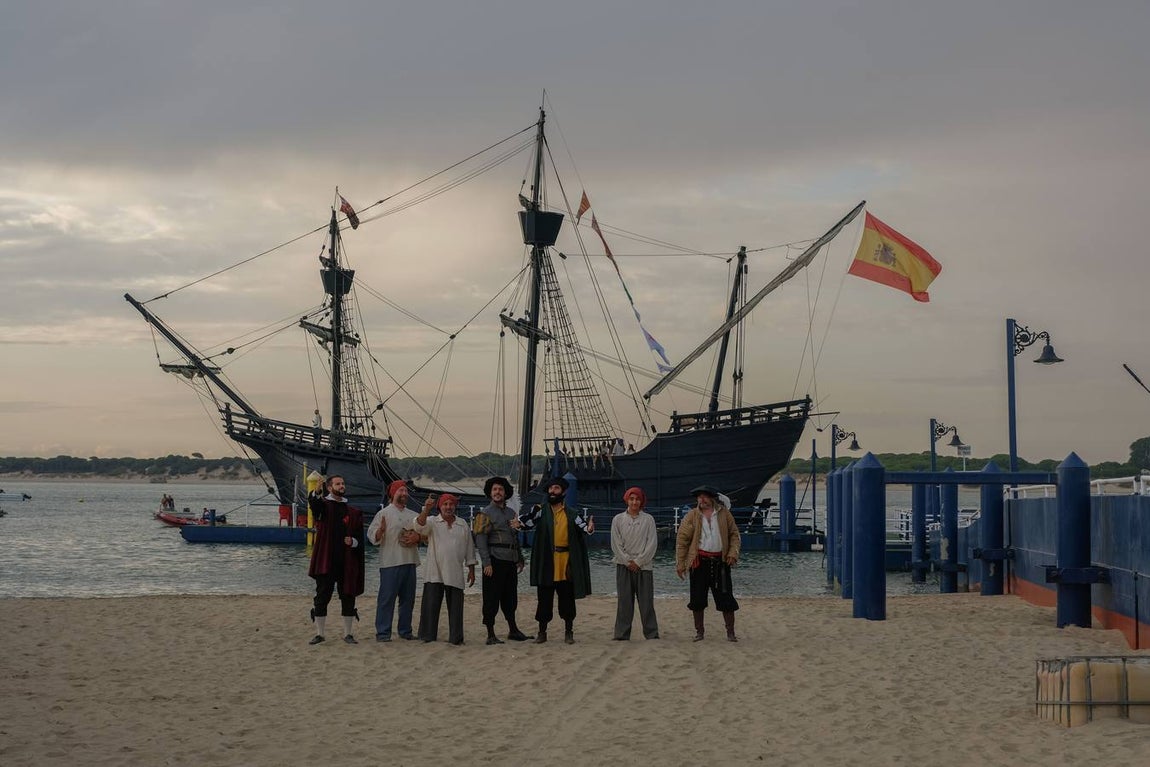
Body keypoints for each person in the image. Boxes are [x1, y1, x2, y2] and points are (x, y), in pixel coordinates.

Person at [521, 476, 594, 644]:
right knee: (544, 599)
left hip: (565, 563)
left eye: (556, 488)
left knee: (567, 600)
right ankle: (542, 632)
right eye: (550, 488)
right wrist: (518, 523)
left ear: (563, 492)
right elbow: (528, 523)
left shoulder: (572, 514)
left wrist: (590, 528)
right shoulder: (541, 510)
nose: (552, 491)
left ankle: (569, 632)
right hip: (547, 562)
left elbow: (584, 527)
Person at [675, 485, 740, 642]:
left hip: (720, 563)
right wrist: (681, 564)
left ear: (711, 498)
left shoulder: (724, 514)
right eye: (699, 497)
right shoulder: (692, 515)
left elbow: (734, 535)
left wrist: (733, 553)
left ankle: (730, 632)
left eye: (704, 496)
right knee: (697, 599)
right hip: (699, 563)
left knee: (726, 598)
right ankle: (699, 632)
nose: (702, 499)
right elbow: (682, 540)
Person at [472, 476, 533, 644]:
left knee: (510, 597)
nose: (497, 492)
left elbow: (514, 537)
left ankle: (513, 630)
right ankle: (490, 634)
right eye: (494, 489)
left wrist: (520, 558)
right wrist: (486, 563)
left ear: (506, 493)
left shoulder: (511, 513)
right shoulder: (484, 514)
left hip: (510, 561)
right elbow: (480, 540)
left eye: (500, 489)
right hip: (494, 560)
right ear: (490, 493)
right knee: (491, 597)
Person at [306, 474, 366, 645]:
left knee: (348, 596)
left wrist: (353, 541)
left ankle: (348, 634)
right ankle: (320, 634)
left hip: (347, 561)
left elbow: (359, 538)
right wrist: (316, 491)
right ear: (329, 487)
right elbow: (315, 505)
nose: (341, 486)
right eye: (337, 484)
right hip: (327, 560)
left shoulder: (353, 512)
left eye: (342, 483)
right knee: (322, 596)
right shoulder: (324, 507)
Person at [412, 493, 476, 645]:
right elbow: (419, 526)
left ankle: (456, 638)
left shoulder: (462, 524)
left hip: (455, 571)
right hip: (434, 571)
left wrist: (471, 569)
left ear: (455, 506)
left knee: (456, 608)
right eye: (445, 504)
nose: (448, 507)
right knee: (430, 605)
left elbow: (470, 548)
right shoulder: (432, 521)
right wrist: (426, 509)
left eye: (451, 504)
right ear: (440, 507)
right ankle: (427, 635)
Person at [366, 479, 421, 642]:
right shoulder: (383, 514)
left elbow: (423, 533)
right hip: (390, 562)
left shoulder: (413, 515)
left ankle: (405, 631)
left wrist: (417, 537)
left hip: (410, 561)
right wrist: (380, 531)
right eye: (400, 491)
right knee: (386, 599)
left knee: (408, 600)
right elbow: (372, 537)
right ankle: (383, 633)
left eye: (405, 491)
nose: (404, 493)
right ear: (393, 493)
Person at [610, 486, 659, 640]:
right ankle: (622, 634)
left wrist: (638, 561)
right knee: (624, 602)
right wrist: (627, 561)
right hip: (623, 565)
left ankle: (651, 634)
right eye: (631, 499)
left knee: (646, 602)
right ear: (627, 500)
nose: (634, 502)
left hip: (644, 566)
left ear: (641, 501)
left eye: (637, 499)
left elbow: (652, 544)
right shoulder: (618, 519)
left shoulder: (648, 520)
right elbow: (615, 544)